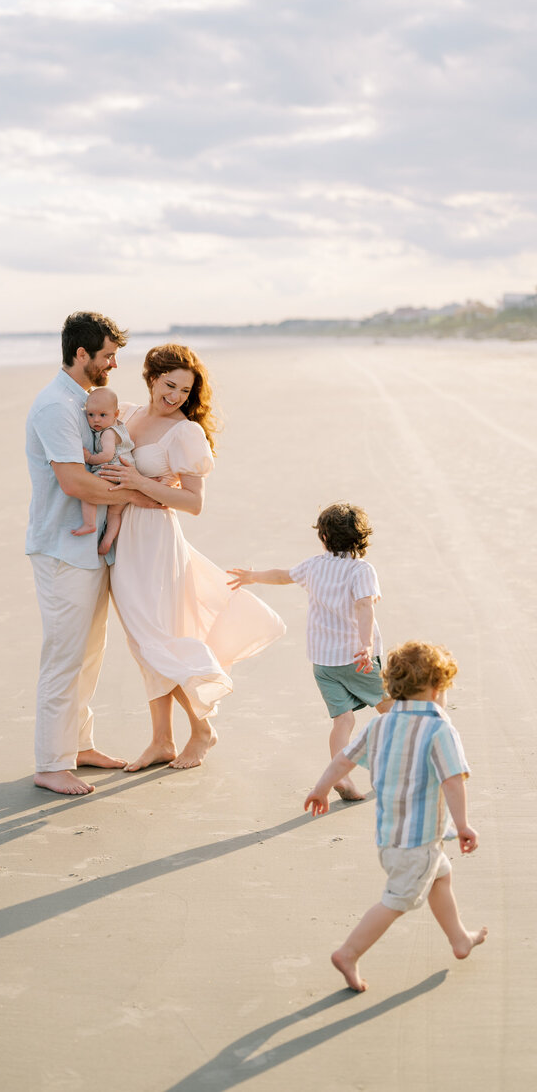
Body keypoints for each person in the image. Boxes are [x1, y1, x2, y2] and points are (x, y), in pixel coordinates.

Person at [101, 343, 286, 771]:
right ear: (150, 378)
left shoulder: (185, 432)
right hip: (126, 541)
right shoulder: (127, 415)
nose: (176, 396)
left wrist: (135, 481)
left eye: (185, 390)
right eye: (169, 385)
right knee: (142, 644)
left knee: (157, 639)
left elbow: (193, 503)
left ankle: (202, 729)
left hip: (156, 542)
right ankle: (162, 740)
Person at [25, 311, 159, 796]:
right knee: (64, 656)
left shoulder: (87, 404)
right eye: (107, 355)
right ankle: (51, 762)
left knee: (90, 654)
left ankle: (78, 747)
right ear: (81, 354)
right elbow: (74, 480)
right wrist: (140, 496)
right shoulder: (55, 408)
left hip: (90, 549)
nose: (114, 364)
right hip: (63, 548)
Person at [304, 640, 487, 992]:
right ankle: (349, 952)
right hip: (417, 842)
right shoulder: (440, 730)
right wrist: (462, 825)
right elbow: (452, 781)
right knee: (396, 901)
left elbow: (344, 758)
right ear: (437, 689)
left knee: (440, 877)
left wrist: (322, 787)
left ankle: (460, 939)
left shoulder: (380, 726)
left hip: (392, 837)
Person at [227, 502, 388, 801]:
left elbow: (282, 575)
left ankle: (341, 777)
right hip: (356, 658)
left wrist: (253, 577)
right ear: (362, 538)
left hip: (323, 662)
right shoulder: (362, 570)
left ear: (324, 538)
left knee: (343, 720)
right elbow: (365, 607)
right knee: (390, 708)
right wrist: (365, 645)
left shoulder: (313, 566)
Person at [70, 387, 135, 555]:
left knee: (88, 491)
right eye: (90, 415)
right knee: (114, 513)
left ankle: (89, 523)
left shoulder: (108, 433)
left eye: (102, 415)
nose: (95, 420)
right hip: (125, 478)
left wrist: (90, 458)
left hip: (112, 471)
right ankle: (107, 541)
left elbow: (107, 455)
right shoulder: (117, 427)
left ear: (116, 414)